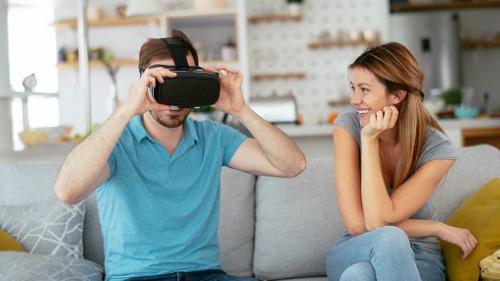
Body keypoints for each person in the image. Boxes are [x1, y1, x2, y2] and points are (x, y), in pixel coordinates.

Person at [54, 29, 306, 281]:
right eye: (164, 83)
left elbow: (292, 166)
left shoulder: (213, 137)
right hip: (136, 277)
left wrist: (240, 110)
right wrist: (125, 110)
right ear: (145, 83)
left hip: (206, 275)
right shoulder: (115, 139)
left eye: (183, 83)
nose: (175, 103)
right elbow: (67, 192)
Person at [325, 42, 477, 281]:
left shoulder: (438, 148)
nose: (354, 100)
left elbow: (377, 218)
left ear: (397, 95)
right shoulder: (348, 127)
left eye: (364, 89)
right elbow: (359, 225)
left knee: (359, 276)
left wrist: (371, 139)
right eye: (353, 88)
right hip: (359, 245)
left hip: (420, 254)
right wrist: (436, 227)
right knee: (388, 238)